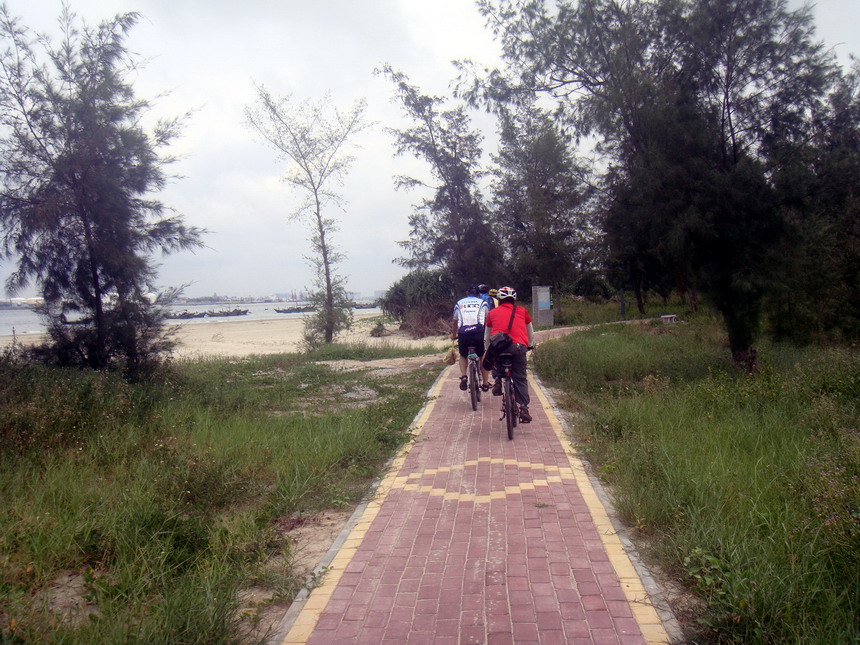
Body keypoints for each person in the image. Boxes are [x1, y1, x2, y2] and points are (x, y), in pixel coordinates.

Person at [482, 286, 535, 423]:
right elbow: (530, 329)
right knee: (520, 378)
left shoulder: (492, 313)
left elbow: (487, 335)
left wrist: (487, 348)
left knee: (496, 360)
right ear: (514, 300)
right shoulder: (522, 311)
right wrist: (530, 344)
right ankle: (523, 408)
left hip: (500, 347)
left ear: (499, 300)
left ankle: (498, 381)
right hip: (518, 347)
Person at [451, 285, 491, 392]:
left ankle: (464, 376)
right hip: (478, 333)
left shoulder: (459, 303)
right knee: (482, 356)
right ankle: (485, 383)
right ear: (478, 294)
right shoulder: (483, 303)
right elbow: (488, 321)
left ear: (467, 293)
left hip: (463, 333)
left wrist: (453, 335)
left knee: (463, 355)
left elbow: (455, 322)